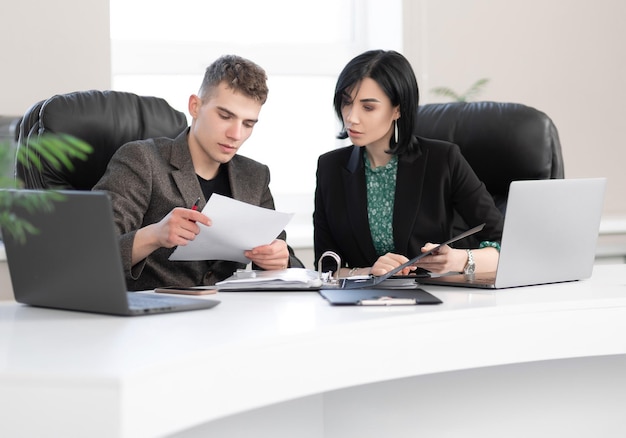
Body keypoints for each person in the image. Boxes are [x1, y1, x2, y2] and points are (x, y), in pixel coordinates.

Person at [93, 54, 303, 290]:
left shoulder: (255, 176)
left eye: (248, 124)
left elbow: (288, 261)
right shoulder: (142, 159)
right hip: (153, 316)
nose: (236, 134)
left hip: (228, 316)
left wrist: (280, 260)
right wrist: (154, 235)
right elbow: (92, 253)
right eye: (225, 116)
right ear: (195, 106)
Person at [314, 49, 504, 278]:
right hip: (360, 303)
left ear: (398, 109)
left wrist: (457, 260)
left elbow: (506, 243)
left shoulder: (443, 160)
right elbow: (325, 267)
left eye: (368, 107)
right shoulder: (330, 168)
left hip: (433, 299)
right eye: (346, 102)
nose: (351, 117)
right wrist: (370, 272)